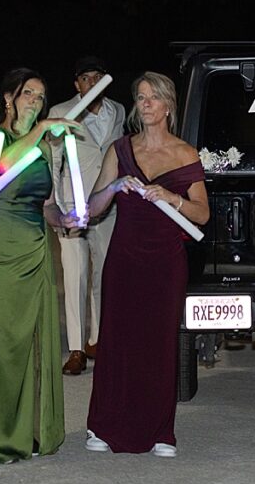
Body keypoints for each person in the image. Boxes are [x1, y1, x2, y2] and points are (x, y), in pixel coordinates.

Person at [0, 68, 79, 463]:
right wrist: (40, 130)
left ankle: (32, 431)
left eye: (41, 97)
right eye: (28, 94)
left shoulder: (43, 148)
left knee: (31, 347)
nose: (35, 102)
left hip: (36, 251)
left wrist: (67, 219)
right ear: (9, 97)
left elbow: (44, 205)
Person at [85, 71, 208, 456]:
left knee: (158, 343)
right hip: (124, 257)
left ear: (168, 103)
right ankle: (103, 426)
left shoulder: (186, 154)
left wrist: (172, 199)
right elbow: (92, 208)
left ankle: (160, 432)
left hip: (166, 261)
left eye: (154, 96)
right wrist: (114, 187)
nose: (147, 103)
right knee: (117, 339)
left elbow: (202, 214)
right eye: (140, 97)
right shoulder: (119, 149)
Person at [48, 55, 124, 375]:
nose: (92, 83)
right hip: (72, 206)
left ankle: (98, 339)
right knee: (75, 273)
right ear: (76, 84)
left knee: (104, 273)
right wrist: (55, 204)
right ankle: (77, 348)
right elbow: (54, 160)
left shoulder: (118, 110)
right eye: (85, 78)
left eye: (97, 76)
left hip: (107, 204)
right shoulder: (61, 112)